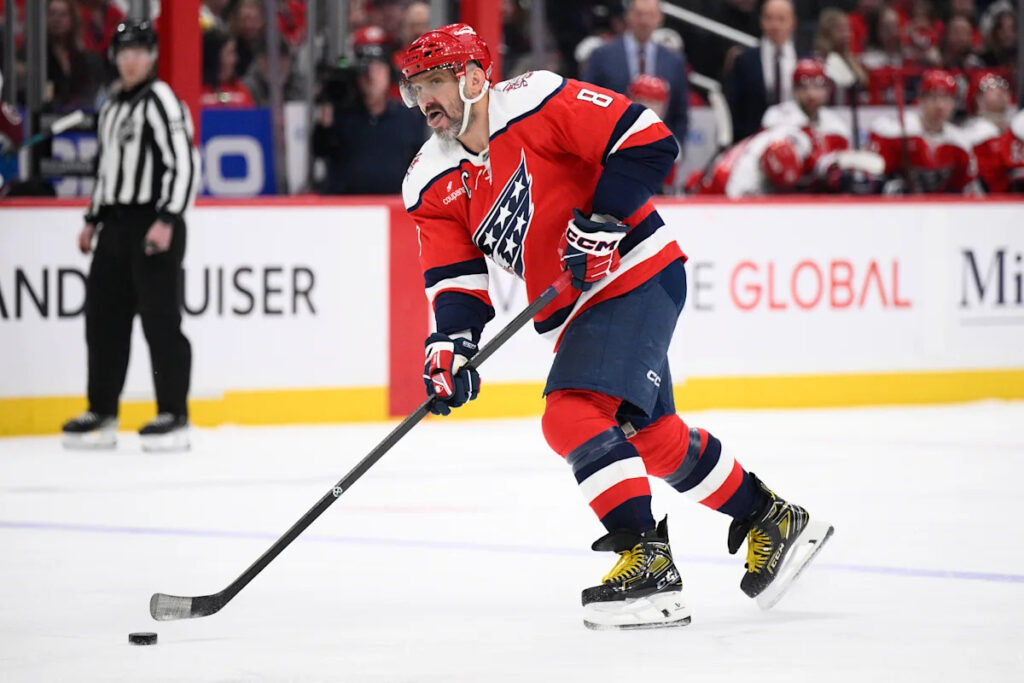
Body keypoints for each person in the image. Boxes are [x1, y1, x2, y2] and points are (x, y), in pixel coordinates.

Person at [399, 23, 833, 630]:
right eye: (416, 87)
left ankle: (647, 563)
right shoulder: (427, 178)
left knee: (571, 412)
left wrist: (602, 220)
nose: (425, 99)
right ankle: (773, 519)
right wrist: (450, 346)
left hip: (634, 272)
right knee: (653, 439)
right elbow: (456, 282)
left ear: (474, 77)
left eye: (436, 81)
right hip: (575, 308)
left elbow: (649, 140)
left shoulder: (533, 99)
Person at [61, 21, 200, 452]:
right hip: (115, 227)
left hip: (153, 224)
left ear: (152, 55)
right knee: (103, 321)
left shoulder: (160, 100)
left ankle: (173, 414)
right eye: (123, 52)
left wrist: (167, 217)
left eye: (139, 51)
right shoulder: (113, 105)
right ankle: (102, 411)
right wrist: (92, 218)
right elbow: (107, 170)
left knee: (161, 321)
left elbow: (184, 163)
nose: (130, 60)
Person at [313, 26, 426, 194]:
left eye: (378, 69)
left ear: (390, 75)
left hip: (394, 211)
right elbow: (320, 149)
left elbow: (421, 167)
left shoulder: (407, 118)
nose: (371, 77)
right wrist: (328, 107)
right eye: (365, 70)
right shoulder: (341, 117)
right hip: (345, 211)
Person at [582, 0, 689, 153]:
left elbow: (680, 111)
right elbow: (588, 105)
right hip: (612, 148)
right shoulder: (602, 55)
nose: (644, 21)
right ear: (628, 16)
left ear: (660, 18)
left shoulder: (674, 60)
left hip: (658, 150)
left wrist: (675, 148)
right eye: (639, 14)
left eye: (650, 15)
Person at [868, 69, 977, 194]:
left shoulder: (960, 143)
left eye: (946, 98)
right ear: (921, 100)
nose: (940, 105)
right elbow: (874, 174)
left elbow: (963, 186)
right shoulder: (895, 132)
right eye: (933, 97)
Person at [725, 0, 799, 141]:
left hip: (795, 138)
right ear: (761, 21)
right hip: (754, 141)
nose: (775, 25)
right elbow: (734, 109)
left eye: (781, 19)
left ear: (793, 22)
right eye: (769, 18)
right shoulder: (745, 61)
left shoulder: (804, 60)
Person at [762, 59, 851, 156]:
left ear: (827, 90)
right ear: (794, 90)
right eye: (804, 87)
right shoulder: (776, 116)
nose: (811, 94)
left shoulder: (836, 125)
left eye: (817, 87)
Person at [963, 72, 1016, 192]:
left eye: (1003, 87)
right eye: (991, 88)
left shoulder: (1017, 127)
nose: (1000, 91)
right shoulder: (973, 134)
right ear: (978, 99)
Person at [200, 29, 255, 108]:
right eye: (230, 53)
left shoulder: (241, 91)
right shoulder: (197, 91)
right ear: (215, 57)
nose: (235, 59)